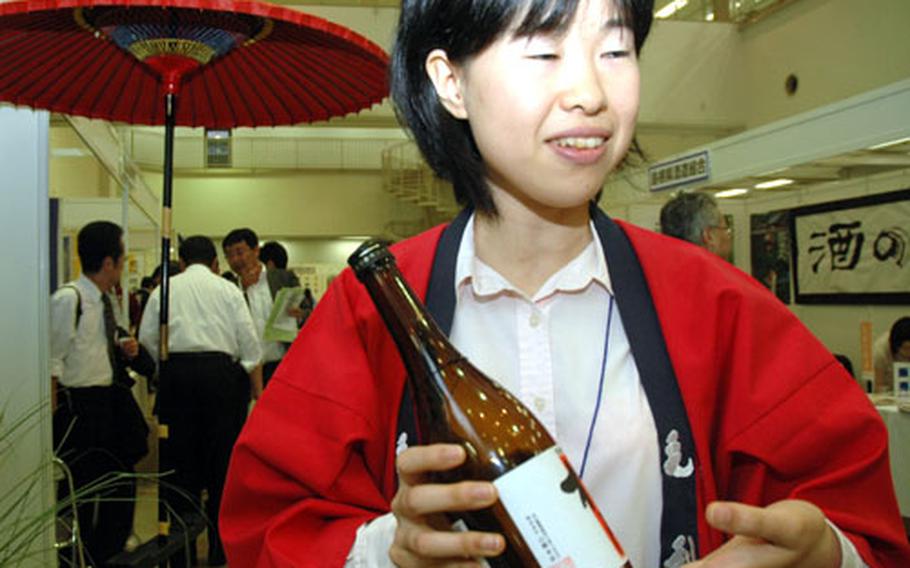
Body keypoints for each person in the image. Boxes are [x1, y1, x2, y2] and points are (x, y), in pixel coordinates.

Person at [220, 0, 910, 566]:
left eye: (615, 51)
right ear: (450, 81)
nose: (589, 93)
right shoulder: (370, 311)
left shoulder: (717, 304)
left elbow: (856, 518)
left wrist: (824, 552)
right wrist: (384, 551)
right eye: (544, 49)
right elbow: (267, 525)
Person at [138, 236, 262, 566]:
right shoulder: (228, 290)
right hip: (221, 382)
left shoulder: (163, 290)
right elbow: (250, 347)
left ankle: (182, 554)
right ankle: (221, 552)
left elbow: (147, 341)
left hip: (176, 382)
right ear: (214, 263)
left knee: (179, 471)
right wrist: (251, 386)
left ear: (181, 263)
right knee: (222, 470)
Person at [50, 221, 150, 566]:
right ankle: (77, 558)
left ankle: (109, 553)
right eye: (122, 259)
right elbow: (52, 361)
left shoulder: (106, 300)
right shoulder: (69, 299)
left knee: (120, 484)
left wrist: (124, 347)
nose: (122, 266)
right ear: (108, 262)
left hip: (108, 404)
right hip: (79, 409)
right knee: (79, 492)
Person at [222, 229, 299, 386]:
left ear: (256, 250)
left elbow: (306, 313)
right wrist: (242, 289)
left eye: (239, 252)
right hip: (245, 368)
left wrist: (300, 314)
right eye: (229, 255)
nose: (235, 259)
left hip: (282, 364)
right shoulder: (227, 287)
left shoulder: (283, 278)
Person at [659, 191, 733, 261]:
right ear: (709, 236)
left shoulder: (657, 272)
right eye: (726, 230)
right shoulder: (718, 274)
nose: (729, 237)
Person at [873, 317, 910, 393]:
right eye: (906, 348)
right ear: (896, 345)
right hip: (891, 396)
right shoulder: (881, 349)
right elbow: (879, 387)